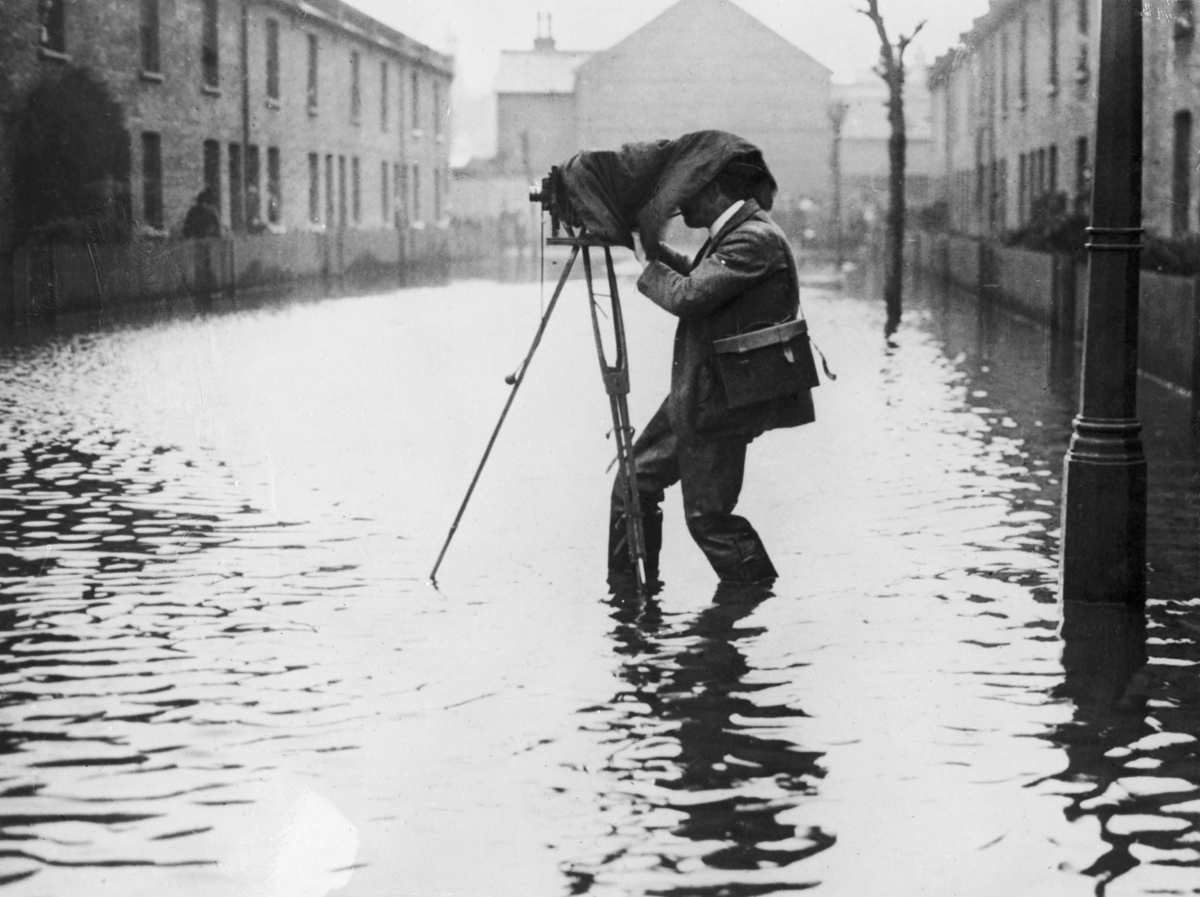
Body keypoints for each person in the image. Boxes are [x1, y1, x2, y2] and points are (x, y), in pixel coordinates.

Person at [608, 160, 815, 592]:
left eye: (686, 193)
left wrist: (648, 268)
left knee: (709, 519)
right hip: (699, 393)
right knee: (635, 481)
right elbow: (699, 276)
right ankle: (630, 599)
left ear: (714, 190)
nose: (679, 204)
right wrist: (645, 246)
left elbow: (689, 294)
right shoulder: (739, 232)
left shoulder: (754, 239)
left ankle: (755, 597)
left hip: (720, 401)